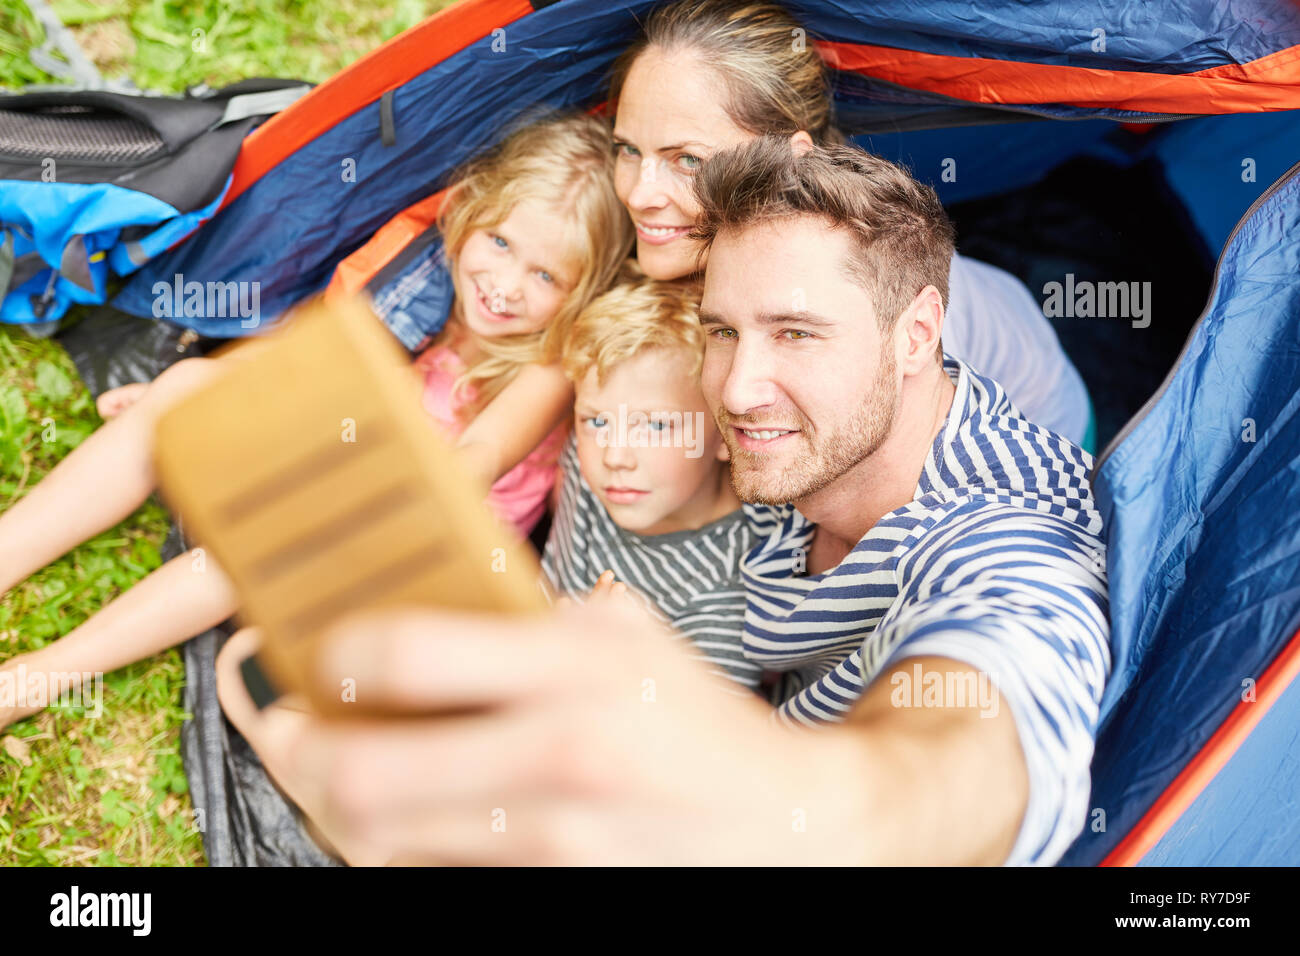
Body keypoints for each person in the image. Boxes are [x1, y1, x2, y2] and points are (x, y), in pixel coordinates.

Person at [215, 136, 1111, 867]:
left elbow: (994, 707)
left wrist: (826, 813)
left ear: (916, 333)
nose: (744, 386)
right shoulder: (757, 439)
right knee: (269, 685)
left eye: (797, 332)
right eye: (725, 331)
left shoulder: (1011, 524)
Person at [0, 110, 633, 730]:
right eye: (500, 242)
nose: (506, 284)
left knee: (271, 544)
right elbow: (312, 357)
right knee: (188, 385)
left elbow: (475, 460)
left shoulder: (550, 364)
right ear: (468, 209)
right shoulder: (425, 284)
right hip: (342, 461)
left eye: (545, 275)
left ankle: (43, 676)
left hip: (399, 548)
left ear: (582, 293)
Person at [607, 0, 1092, 444]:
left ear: (792, 160)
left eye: (688, 160)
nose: (637, 192)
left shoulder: (866, 300)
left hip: (1042, 434)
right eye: (628, 149)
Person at [543, 261, 771, 692]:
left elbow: (694, 747)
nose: (615, 456)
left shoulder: (728, 598)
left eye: (657, 426)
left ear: (728, 435)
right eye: (596, 421)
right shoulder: (588, 461)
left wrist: (593, 661)